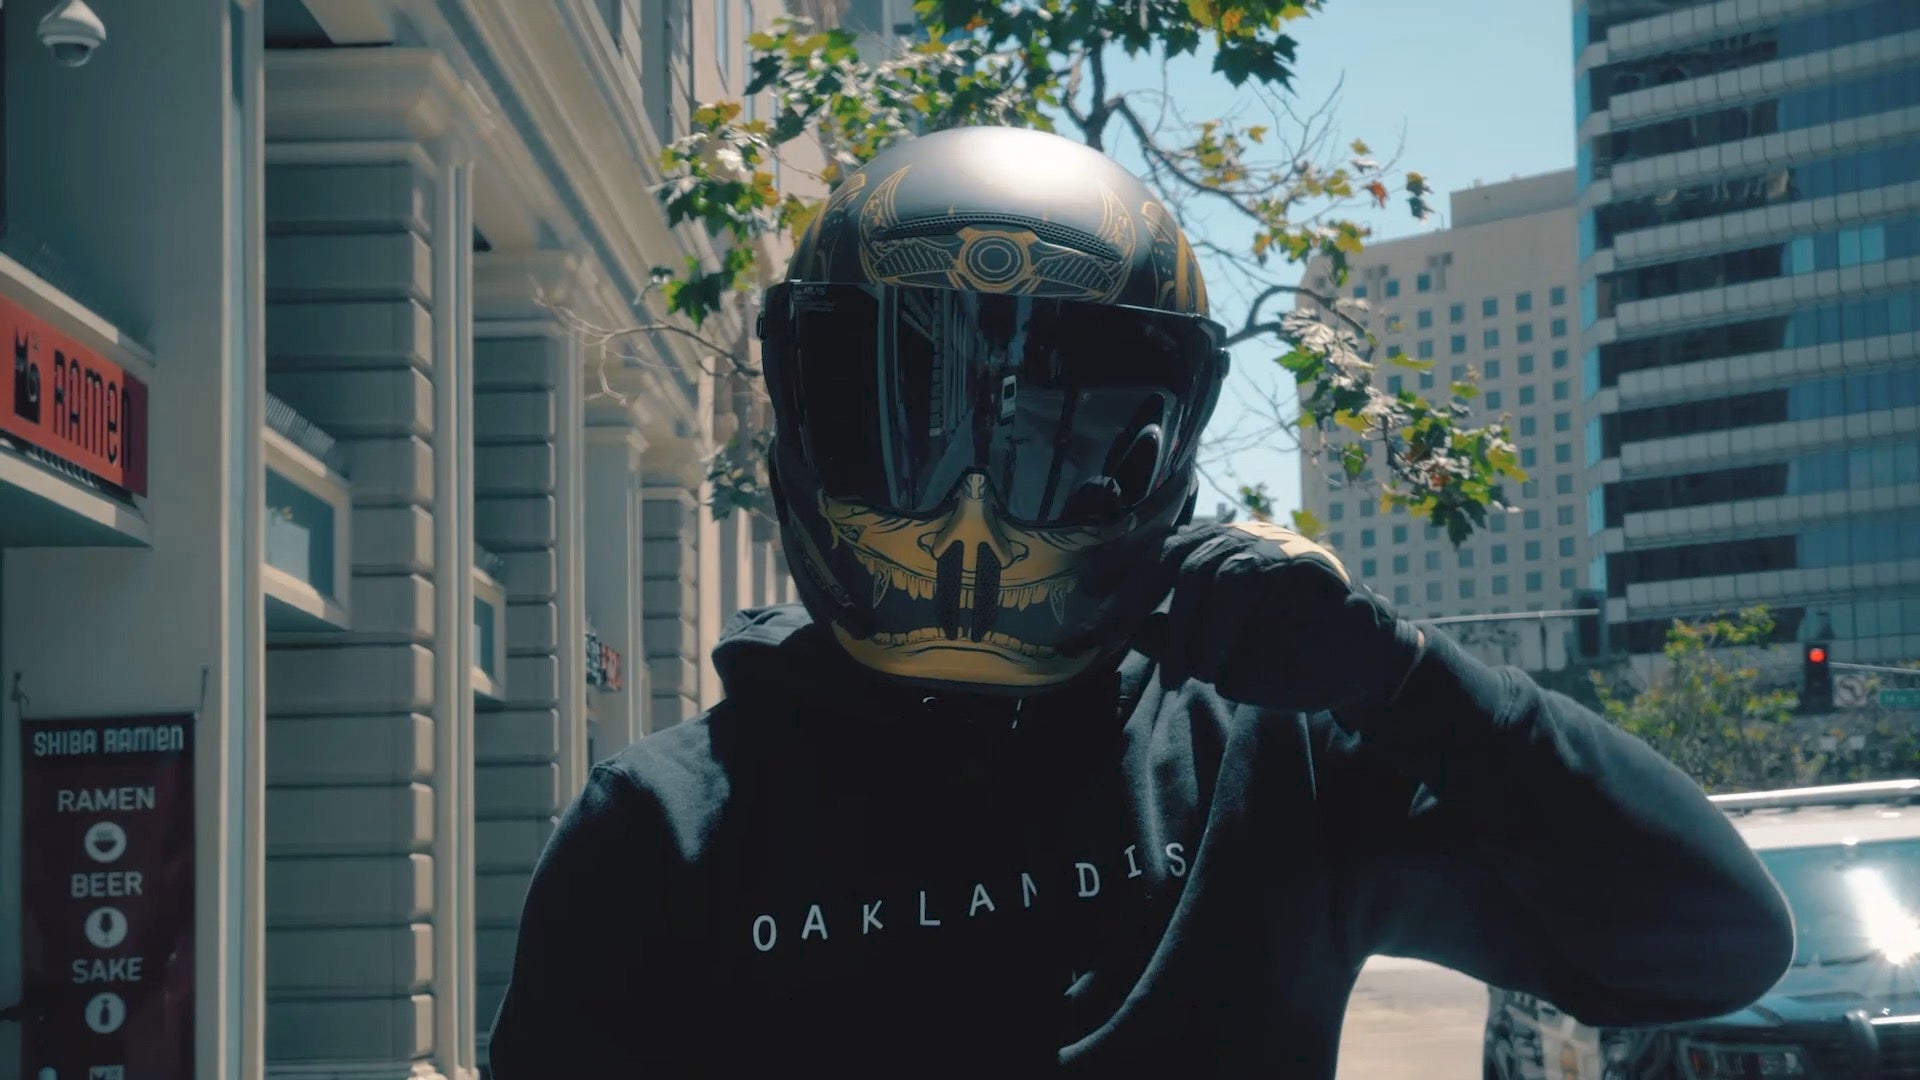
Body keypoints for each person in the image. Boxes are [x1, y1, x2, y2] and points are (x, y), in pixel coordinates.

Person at [486, 125, 1793, 1078]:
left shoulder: (1266, 754)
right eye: (918, 429)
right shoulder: (664, 832)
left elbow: (1709, 945)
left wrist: (1404, 680)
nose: (976, 515)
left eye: (1059, 439)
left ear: (1164, 457)